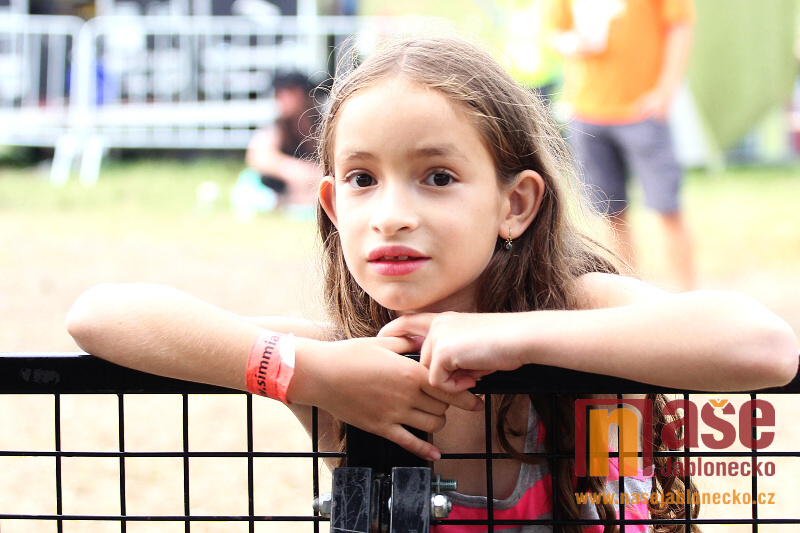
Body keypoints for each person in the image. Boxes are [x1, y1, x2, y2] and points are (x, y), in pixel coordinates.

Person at [66, 34, 797, 531]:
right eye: (362, 179)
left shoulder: (577, 310)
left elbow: (763, 346)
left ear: (515, 204)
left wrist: (512, 338)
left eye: (438, 177)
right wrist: (306, 372)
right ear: (332, 207)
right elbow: (99, 315)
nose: (391, 214)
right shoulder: (347, 363)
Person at [550, 0, 697, 291]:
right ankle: (629, 293)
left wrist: (665, 93)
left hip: (641, 111)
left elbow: (680, 25)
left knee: (668, 207)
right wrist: (572, 44)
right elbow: (554, 32)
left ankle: (689, 295)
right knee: (611, 213)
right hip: (587, 111)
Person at [233, 71, 323, 215]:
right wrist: (292, 169)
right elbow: (258, 156)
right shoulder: (279, 128)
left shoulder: (321, 126)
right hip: (283, 189)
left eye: (288, 92)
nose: (281, 98)